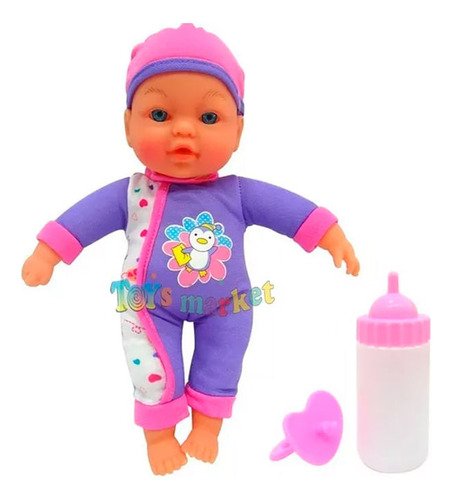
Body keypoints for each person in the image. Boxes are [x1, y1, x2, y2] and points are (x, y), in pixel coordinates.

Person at [22, 23, 359, 475]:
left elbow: (290, 210)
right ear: (128, 125)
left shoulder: (238, 193)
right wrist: (49, 251)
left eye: (209, 118)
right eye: (160, 115)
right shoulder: (131, 194)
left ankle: (207, 429)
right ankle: (159, 436)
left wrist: (329, 235)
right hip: (149, 303)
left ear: (238, 131)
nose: (183, 130)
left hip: (228, 304)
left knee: (223, 359)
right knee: (151, 365)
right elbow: (83, 219)